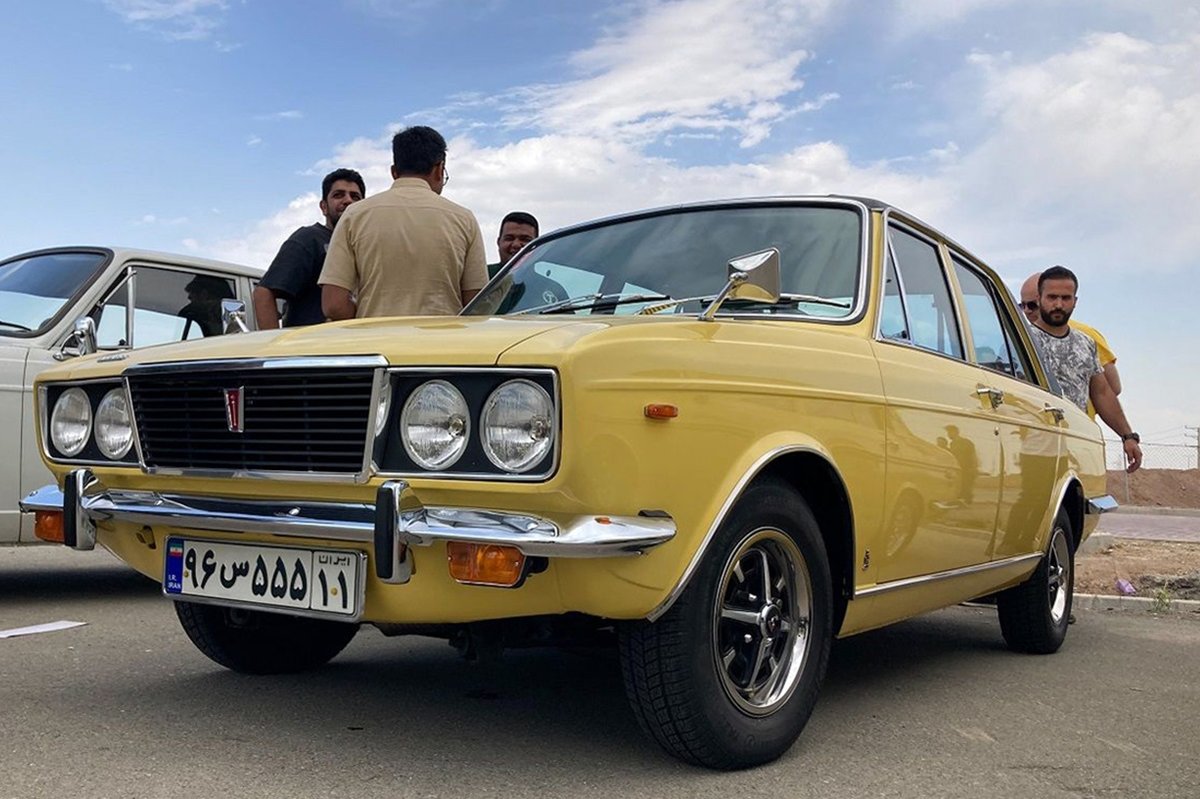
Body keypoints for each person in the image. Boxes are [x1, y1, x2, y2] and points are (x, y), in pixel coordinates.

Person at [319, 126, 487, 319]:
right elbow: (477, 303)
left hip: (375, 342)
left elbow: (334, 304)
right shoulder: (464, 219)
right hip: (442, 344)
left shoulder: (354, 216)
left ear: (394, 172)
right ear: (439, 169)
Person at [1028, 265, 1142, 472]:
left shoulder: (1086, 343)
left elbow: (1102, 392)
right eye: (1052, 297)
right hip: (1033, 447)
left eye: (1066, 298)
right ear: (1039, 298)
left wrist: (1128, 436)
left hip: (1076, 445)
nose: (1058, 304)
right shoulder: (1021, 339)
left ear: (1075, 301)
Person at [253, 169, 365, 328]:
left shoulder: (366, 245)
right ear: (324, 207)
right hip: (314, 347)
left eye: (355, 197)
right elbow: (263, 293)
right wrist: (274, 350)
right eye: (338, 195)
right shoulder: (309, 239)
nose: (348, 200)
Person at [1020, 272, 1120, 416]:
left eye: (1031, 305)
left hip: (1078, 428)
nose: (1026, 311)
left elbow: (1110, 389)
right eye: (1022, 305)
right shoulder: (1020, 336)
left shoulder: (1086, 337)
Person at [487, 211, 539, 279]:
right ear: (498, 242)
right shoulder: (480, 277)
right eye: (509, 238)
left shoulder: (550, 282)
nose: (516, 245)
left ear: (537, 245)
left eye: (525, 239)